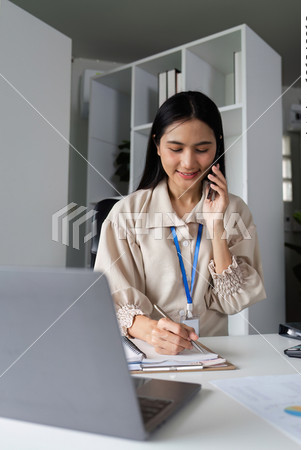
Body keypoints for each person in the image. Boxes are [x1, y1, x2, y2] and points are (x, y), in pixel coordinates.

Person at [95, 91, 266, 355]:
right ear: (157, 145)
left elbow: (236, 299)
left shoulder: (235, 210)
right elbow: (110, 301)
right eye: (176, 149)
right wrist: (154, 333)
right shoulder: (127, 213)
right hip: (148, 353)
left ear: (217, 145)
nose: (188, 162)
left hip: (213, 353)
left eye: (202, 149)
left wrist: (216, 226)